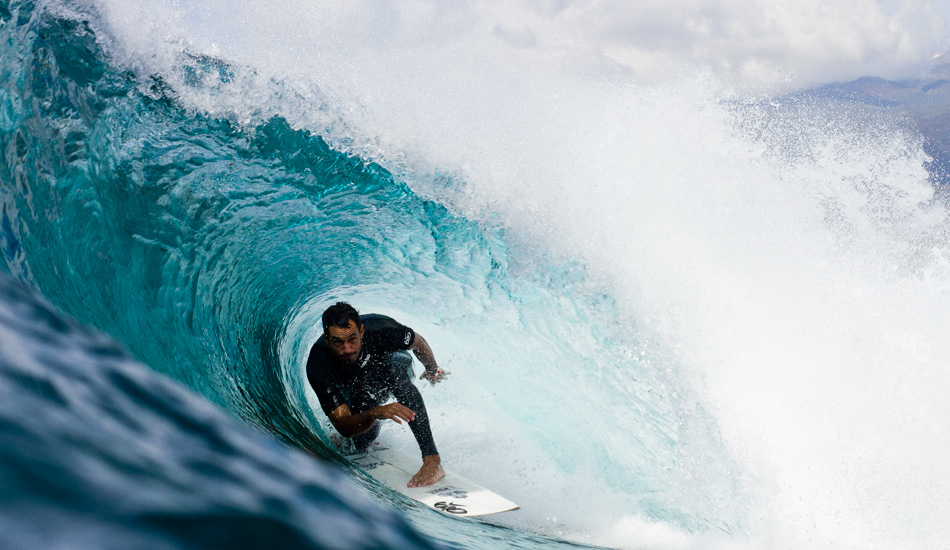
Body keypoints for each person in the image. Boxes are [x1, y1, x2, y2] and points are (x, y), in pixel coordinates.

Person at [306, 302, 449, 487]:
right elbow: (343, 423)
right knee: (363, 440)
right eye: (338, 342)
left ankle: (432, 460)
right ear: (327, 340)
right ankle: (346, 442)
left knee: (394, 376)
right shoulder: (318, 364)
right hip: (360, 384)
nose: (347, 349)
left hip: (394, 363)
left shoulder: (382, 329)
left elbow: (418, 342)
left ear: (362, 332)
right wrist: (374, 413)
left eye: (352, 339)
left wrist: (432, 370)